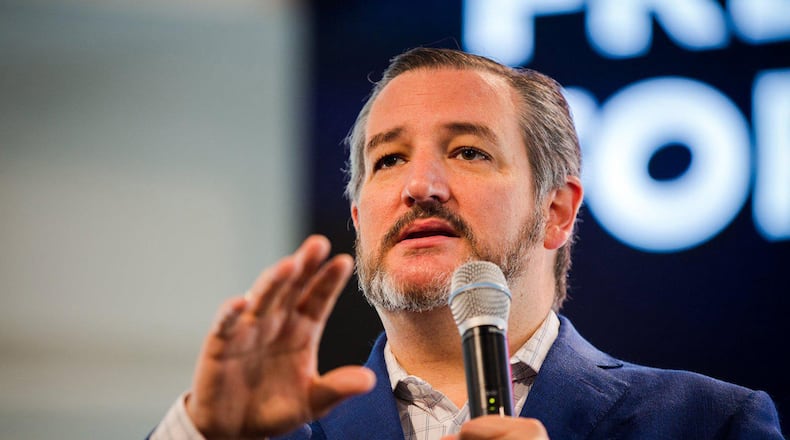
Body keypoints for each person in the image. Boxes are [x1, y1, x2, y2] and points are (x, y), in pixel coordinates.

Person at [149, 48, 784, 439]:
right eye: (389, 160)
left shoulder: (709, 423)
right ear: (359, 217)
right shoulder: (263, 437)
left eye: (468, 151)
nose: (421, 186)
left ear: (556, 211)